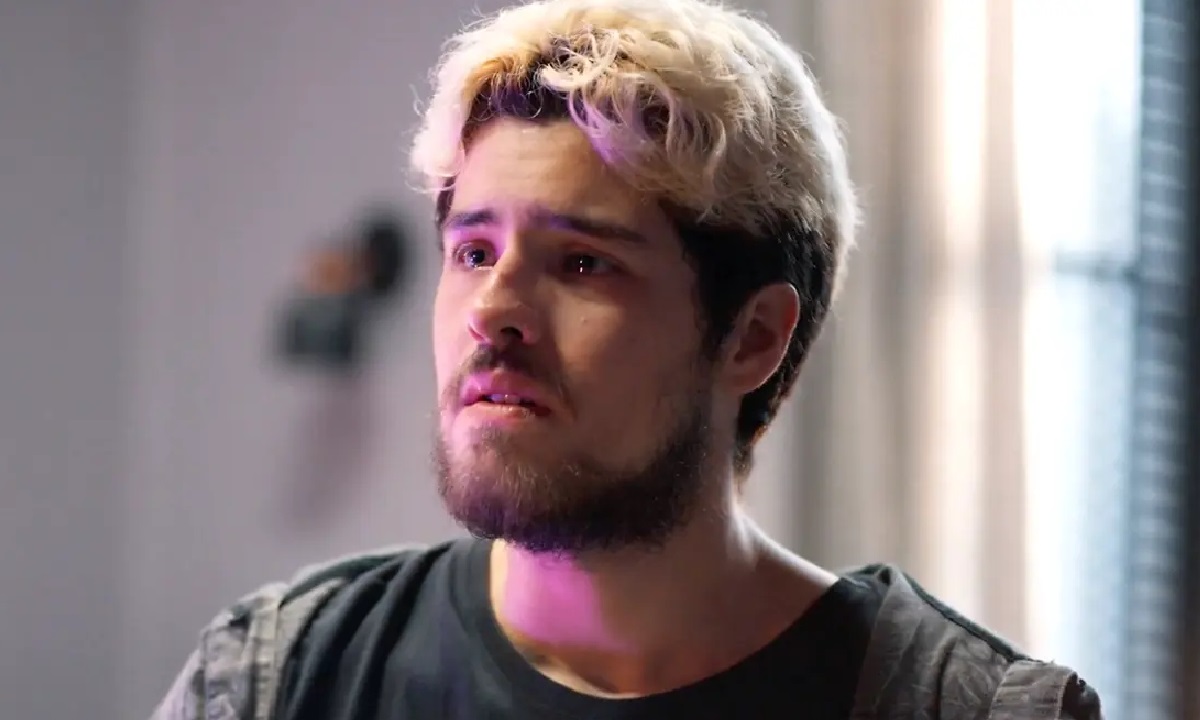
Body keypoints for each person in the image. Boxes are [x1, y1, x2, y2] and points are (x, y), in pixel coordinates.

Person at [152, 0, 1103, 718]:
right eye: (474, 251)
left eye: (581, 263)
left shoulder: (962, 707)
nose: (494, 312)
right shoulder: (277, 678)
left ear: (753, 337)